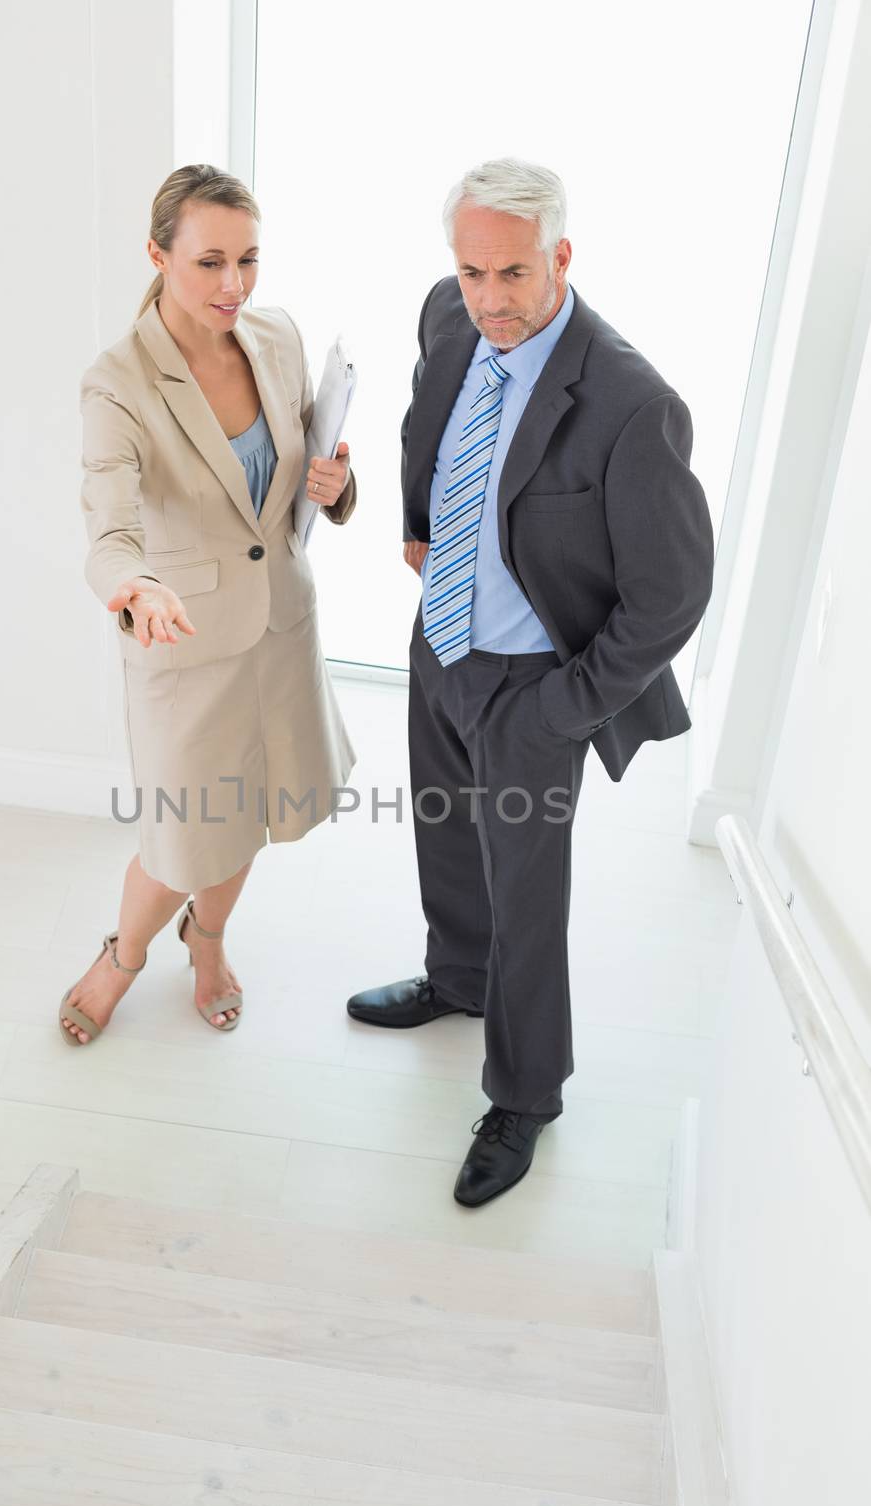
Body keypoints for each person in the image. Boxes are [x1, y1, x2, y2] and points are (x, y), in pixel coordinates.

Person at [347, 157, 714, 1207]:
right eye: (471, 272)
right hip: (443, 646)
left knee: (527, 894)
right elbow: (431, 425)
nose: (489, 299)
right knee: (443, 829)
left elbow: (669, 596)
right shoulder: (446, 318)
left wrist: (556, 712)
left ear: (560, 256)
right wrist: (422, 528)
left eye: (511, 274)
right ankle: (456, 978)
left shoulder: (630, 405)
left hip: (530, 685)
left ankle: (524, 1092)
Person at [59, 163, 356, 1043]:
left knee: (251, 819)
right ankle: (123, 956)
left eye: (249, 260)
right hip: (182, 640)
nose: (234, 285)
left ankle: (210, 940)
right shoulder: (117, 382)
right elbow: (106, 521)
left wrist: (336, 485)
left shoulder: (278, 338)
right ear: (157, 255)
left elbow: (302, 481)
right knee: (181, 837)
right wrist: (133, 585)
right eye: (210, 263)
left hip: (279, 628)